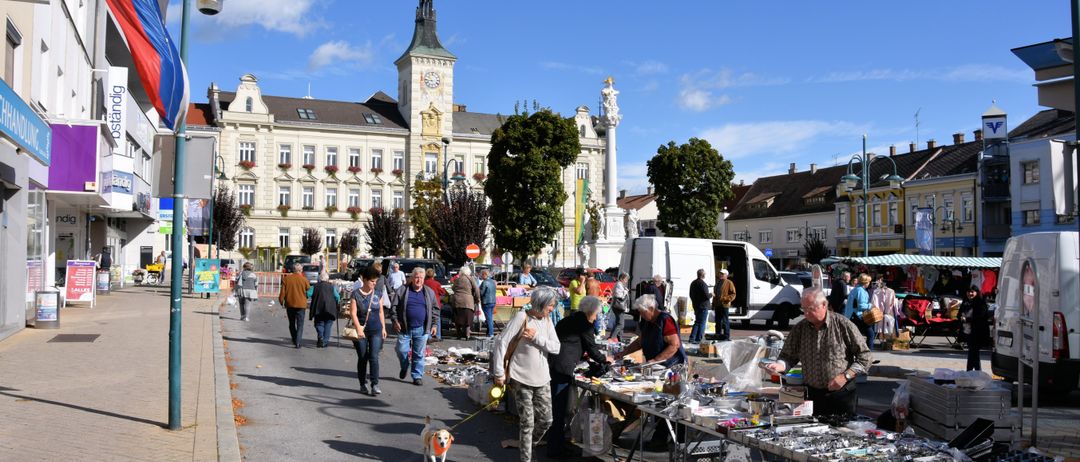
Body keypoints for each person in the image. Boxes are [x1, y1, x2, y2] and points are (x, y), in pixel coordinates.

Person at [767, 287, 872, 417]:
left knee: (844, 432)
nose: (805, 313)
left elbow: (865, 356)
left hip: (842, 393)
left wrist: (846, 376)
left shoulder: (843, 324)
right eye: (803, 309)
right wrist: (780, 365)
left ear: (824, 305)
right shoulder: (800, 328)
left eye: (810, 309)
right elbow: (788, 356)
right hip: (812, 395)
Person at [491, 287, 561, 462]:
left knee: (547, 420)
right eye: (550, 305)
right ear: (541, 304)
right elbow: (501, 342)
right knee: (527, 423)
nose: (552, 309)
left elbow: (556, 347)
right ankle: (527, 458)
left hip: (543, 379)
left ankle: (527, 446)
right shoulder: (522, 317)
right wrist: (499, 373)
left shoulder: (547, 321)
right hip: (520, 378)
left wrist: (537, 338)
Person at [548, 296, 610, 458]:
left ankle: (557, 443)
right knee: (560, 408)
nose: (596, 317)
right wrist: (605, 360)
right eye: (596, 314)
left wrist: (583, 356)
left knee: (558, 408)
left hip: (555, 364)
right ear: (590, 312)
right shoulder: (584, 324)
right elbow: (592, 348)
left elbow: (569, 342)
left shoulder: (568, 320)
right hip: (563, 367)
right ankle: (555, 449)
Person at [391, 267, 438, 385]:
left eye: (421, 278)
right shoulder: (402, 290)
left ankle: (417, 376)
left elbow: (435, 310)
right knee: (401, 350)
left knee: (418, 354)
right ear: (412, 278)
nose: (418, 280)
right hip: (404, 328)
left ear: (424, 279)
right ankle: (404, 365)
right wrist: (395, 320)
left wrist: (434, 324)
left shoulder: (429, 292)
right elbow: (394, 307)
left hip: (421, 329)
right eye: (416, 277)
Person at [616, 294, 686, 368]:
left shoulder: (665, 320)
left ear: (651, 309)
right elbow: (639, 342)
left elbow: (674, 345)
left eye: (642, 312)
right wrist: (623, 353)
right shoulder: (648, 321)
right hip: (655, 365)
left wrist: (656, 360)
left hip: (670, 366)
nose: (641, 315)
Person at [350, 265, 389, 395]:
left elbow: (381, 312)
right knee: (362, 357)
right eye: (372, 281)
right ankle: (362, 383)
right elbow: (353, 313)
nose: (374, 283)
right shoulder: (356, 294)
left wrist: (383, 327)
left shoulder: (378, 293)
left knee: (374, 357)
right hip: (361, 330)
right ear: (364, 279)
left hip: (376, 329)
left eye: (375, 281)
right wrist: (359, 329)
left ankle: (375, 384)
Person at [278, 263, 311, 348]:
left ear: (293, 270)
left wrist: (282, 302)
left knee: (292, 323)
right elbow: (308, 290)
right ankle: (298, 342)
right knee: (300, 324)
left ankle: (294, 338)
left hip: (290, 304)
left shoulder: (286, 279)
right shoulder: (304, 280)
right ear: (300, 270)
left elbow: (282, 293)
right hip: (301, 305)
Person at [960, 285, 990, 371]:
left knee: (972, 351)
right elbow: (960, 313)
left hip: (977, 331)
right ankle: (977, 372)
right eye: (968, 292)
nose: (970, 293)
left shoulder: (981, 303)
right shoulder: (965, 302)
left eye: (972, 292)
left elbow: (980, 317)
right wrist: (961, 318)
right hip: (967, 330)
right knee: (974, 352)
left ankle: (969, 371)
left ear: (976, 293)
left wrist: (967, 319)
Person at [308, 271, 340, 348]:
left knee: (319, 323)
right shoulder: (332, 287)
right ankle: (324, 342)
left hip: (318, 308)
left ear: (319, 279)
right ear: (327, 279)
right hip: (330, 309)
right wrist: (337, 304)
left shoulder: (314, 286)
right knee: (328, 325)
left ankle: (320, 336)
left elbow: (308, 294)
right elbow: (337, 297)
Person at [846, 273, 876, 350]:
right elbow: (861, 306)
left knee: (857, 336)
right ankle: (868, 355)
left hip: (851, 315)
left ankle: (860, 354)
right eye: (869, 282)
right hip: (857, 315)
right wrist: (870, 306)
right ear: (865, 282)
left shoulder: (855, 289)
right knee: (870, 334)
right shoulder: (861, 291)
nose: (869, 283)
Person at [451, 265, 482, 340]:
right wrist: (477, 298)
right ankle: (467, 335)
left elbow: (453, 288)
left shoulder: (457, 279)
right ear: (468, 272)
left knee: (458, 318)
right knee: (467, 319)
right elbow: (476, 289)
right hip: (467, 302)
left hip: (457, 301)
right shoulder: (471, 279)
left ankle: (459, 335)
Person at [423, 268, 448, 340]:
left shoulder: (424, 283)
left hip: (426, 303)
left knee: (427, 319)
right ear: (433, 275)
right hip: (435, 303)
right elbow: (442, 292)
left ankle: (428, 336)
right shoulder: (436, 283)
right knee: (437, 319)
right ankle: (438, 335)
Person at [688, 269, 711, 344]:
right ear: (703, 275)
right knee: (702, 323)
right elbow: (706, 296)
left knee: (697, 322)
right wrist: (711, 294)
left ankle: (692, 338)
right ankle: (698, 339)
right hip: (703, 306)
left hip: (696, 305)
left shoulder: (693, 283)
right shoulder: (702, 284)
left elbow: (691, 295)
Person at [714, 269, 736, 341]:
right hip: (717, 305)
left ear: (726, 275)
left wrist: (725, 298)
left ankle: (726, 336)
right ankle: (718, 335)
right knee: (718, 321)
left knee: (725, 321)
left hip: (724, 304)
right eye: (720, 273)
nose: (721, 275)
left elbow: (733, 294)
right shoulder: (718, 282)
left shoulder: (729, 282)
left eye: (722, 274)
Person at [608, 273, 629, 340]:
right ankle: (612, 337)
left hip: (619, 306)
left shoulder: (620, 285)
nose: (627, 281)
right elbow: (619, 295)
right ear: (622, 278)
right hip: (618, 306)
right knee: (620, 324)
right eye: (626, 279)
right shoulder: (618, 285)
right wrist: (625, 291)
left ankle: (620, 338)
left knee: (619, 323)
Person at [478, 268, 497, 337]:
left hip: (486, 302)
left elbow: (481, 293)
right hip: (493, 301)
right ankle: (489, 332)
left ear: (485, 275)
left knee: (489, 318)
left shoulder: (484, 282)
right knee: (490, 317)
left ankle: (491, 333)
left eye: (481, 275)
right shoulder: (493, 282)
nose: (481, 276)